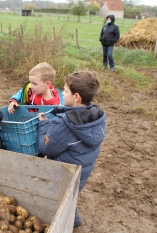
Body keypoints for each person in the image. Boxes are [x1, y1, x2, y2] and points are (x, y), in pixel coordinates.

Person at [37, 71, 106, 228]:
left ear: (76, 97)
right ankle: (75, 220)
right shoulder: (97, 114)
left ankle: (68, 223)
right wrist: (61, 111)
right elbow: (74, 114)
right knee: (70, 195)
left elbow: (46, 147)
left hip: (66, 170)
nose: (62, 92)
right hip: (83, 168)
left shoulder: (64, 124)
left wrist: (43, 125)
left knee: (61, 196)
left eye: (66, 90)